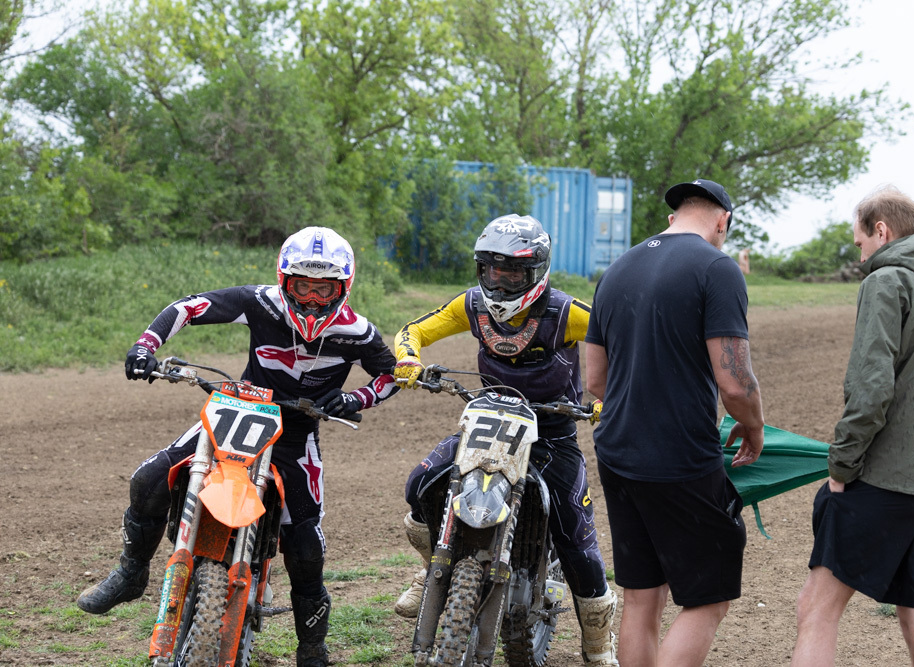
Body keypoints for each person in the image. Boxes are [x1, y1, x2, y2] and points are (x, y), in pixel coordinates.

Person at [77, 226, 399, 666]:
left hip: (296, 434)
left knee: (306, 547)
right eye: (302, 286)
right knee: (149, 480)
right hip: (238, 411)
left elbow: (390, 374)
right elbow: (188, 307)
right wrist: (145, 346)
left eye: (323, 289)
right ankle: (131, 572)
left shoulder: (357, 332)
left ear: (343, 287)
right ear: (285, 281)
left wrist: (353, 399)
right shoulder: (260, 302)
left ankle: (311, 646)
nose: (311, 299)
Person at [392, 214, 619, 666]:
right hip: (489, 419)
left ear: (536, 271)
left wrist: (607, 399)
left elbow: (624, 342)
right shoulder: (471, 304)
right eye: (493, 270)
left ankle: (598, 645)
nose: (501, 281)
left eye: (514, 272)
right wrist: (408, 359)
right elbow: (414, 330)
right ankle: (430, 570)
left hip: (551, 430)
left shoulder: (565, 313)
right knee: (420, 486)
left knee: (575, 534)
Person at [791, 186, 914, 667]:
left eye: (860, 243)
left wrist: (841, 467)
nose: (860, 256)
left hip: (882, 480)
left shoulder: (886, 282)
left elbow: (871, 390)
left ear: (881, 230)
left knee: (816, 608)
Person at [585, 178, 765, 666]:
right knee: (708, 598)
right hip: (680, 457)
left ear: (673, 218)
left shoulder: (616, 268)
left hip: (617, 452)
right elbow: (735, 383)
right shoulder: (718, 268)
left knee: (643, 597)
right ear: (723, 221)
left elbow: (595, 378)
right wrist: (754, 426)